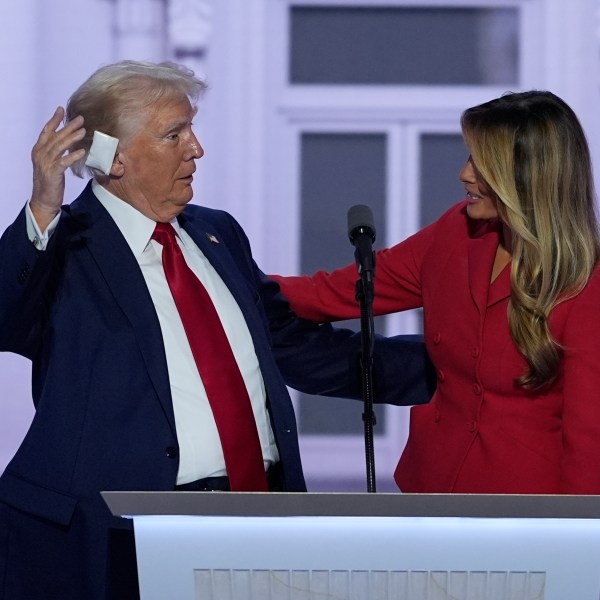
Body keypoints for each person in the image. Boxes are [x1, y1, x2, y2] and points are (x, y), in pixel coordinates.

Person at [0, 60, 432, 599]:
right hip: (119, 535)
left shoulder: (217, 233)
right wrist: (44, 208)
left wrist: (453, 365)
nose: (196, 149)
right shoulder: (65, 244)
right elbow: (7, 317)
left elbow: (296, 349)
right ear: (113, 156)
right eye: (174, 134)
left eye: (192, 130)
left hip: (256, 519)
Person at [272, 90, 600, 495]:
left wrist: (575, 540)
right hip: (430, 489)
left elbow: (588, 440)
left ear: (527, 176)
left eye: (481, 164)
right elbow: (340, 293)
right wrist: (227, 281)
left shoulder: (586, 286)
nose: (465, 174)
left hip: (524, 511)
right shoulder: (458, 231)